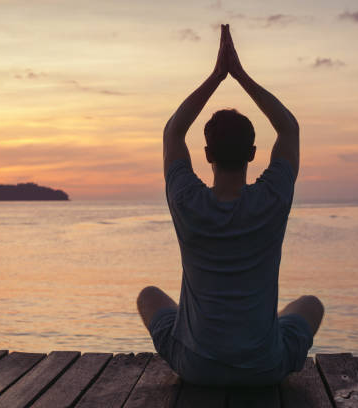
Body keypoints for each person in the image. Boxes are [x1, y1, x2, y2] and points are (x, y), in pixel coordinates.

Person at [136, 24, 324, 385]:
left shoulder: (186, 200)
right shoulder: (273, 198)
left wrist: (216, 77)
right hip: (263, 368)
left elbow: (173, 132)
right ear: (253, 154)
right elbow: (289, 130)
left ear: (207, 154)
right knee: (311, 304)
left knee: (149, 296)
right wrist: (241, 76)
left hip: (195, 367)